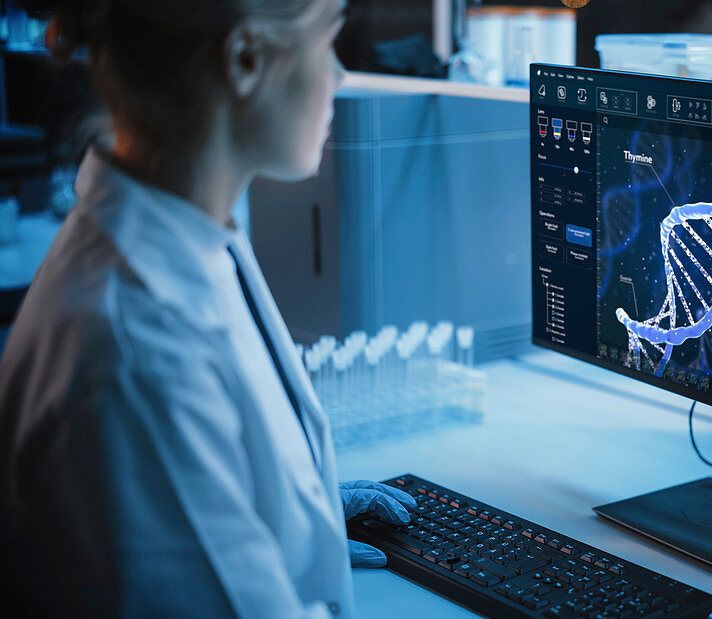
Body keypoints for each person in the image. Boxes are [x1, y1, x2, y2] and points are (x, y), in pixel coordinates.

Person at [0, 1, 416, 616]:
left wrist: (301, 512)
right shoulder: (139, 349)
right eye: (329, 42)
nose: (340, 74)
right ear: (245, 60)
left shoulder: (188, 239)